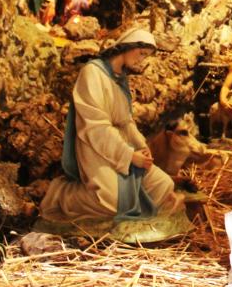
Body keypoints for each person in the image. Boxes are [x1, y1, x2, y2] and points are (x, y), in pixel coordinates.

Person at [40, 27, 183, 222]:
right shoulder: (92, 72)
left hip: (124, 147)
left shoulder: (120, 79)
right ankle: (61, 194)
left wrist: (141, 147)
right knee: (111, 203)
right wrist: (129, 156)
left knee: (163, 185)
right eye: (141, 53)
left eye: (146, 56)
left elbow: (126, 122)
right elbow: (95, 127)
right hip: (96, 147)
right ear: (128, 46)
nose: (141, 60)